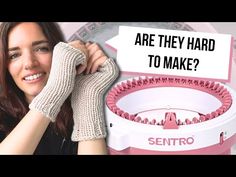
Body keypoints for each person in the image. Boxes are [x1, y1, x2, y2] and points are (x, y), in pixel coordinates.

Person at [0, 22, 119, 154]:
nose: (29, 63)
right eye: (14, 55)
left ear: (59, 52)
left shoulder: (86, 116)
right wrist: (55, 90)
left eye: (41, 48)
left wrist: (87, 94)